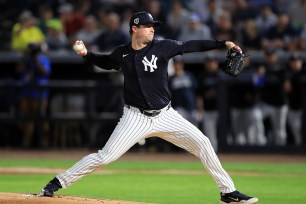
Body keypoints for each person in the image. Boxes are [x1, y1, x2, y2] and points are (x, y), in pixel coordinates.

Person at [40, 11, 258, 204]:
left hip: (166, 115)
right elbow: (106, 62)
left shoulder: (162, 47)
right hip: (135, 118)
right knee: (105, 157)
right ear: (135, 28)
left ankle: (228, 192)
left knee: (203, 143)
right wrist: (87, 55)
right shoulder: (122, 53)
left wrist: (223, 43)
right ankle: (56, 182)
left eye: (153, 26)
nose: (152, 29)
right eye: (148, 26)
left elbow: (190, 46)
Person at [17, 43, 51, 147]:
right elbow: (18, 70)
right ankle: (26, 144)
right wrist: (25, 58)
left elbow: (45, 72)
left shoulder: (43, 59)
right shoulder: (25, 59)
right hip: (26, 93)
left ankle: (44, 143)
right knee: (26, 120)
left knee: (42, 119)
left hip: (39, 94)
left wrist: (35, 59)